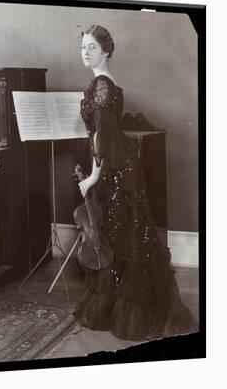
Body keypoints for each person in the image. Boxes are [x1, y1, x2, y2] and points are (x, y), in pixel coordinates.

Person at [74, 25, 197, 340]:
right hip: (118, 167)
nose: (85, 52)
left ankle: (130, 311)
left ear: (106, 51)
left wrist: (93, 177)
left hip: (115, 172)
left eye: (91, 47)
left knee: (122, 238)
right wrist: (93, 174)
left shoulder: (101, 84)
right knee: (123, 238)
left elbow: (104, 139)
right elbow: (98, 137)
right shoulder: (108, 82)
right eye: (83, 47)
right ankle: (121, 305)